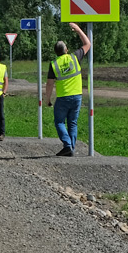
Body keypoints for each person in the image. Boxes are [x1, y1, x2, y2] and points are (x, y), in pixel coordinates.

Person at [47, 22, 91, 156]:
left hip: (63, 97)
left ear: (56, 52)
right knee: (72, 123)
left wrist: (47, 99)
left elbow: (49, 84)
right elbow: (88, 44)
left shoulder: (54, 64)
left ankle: (67, 146)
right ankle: (71, 147)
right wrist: (78, 29)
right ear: (66, 50)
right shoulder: (75, 57)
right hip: (77, 96)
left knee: (59, 121)